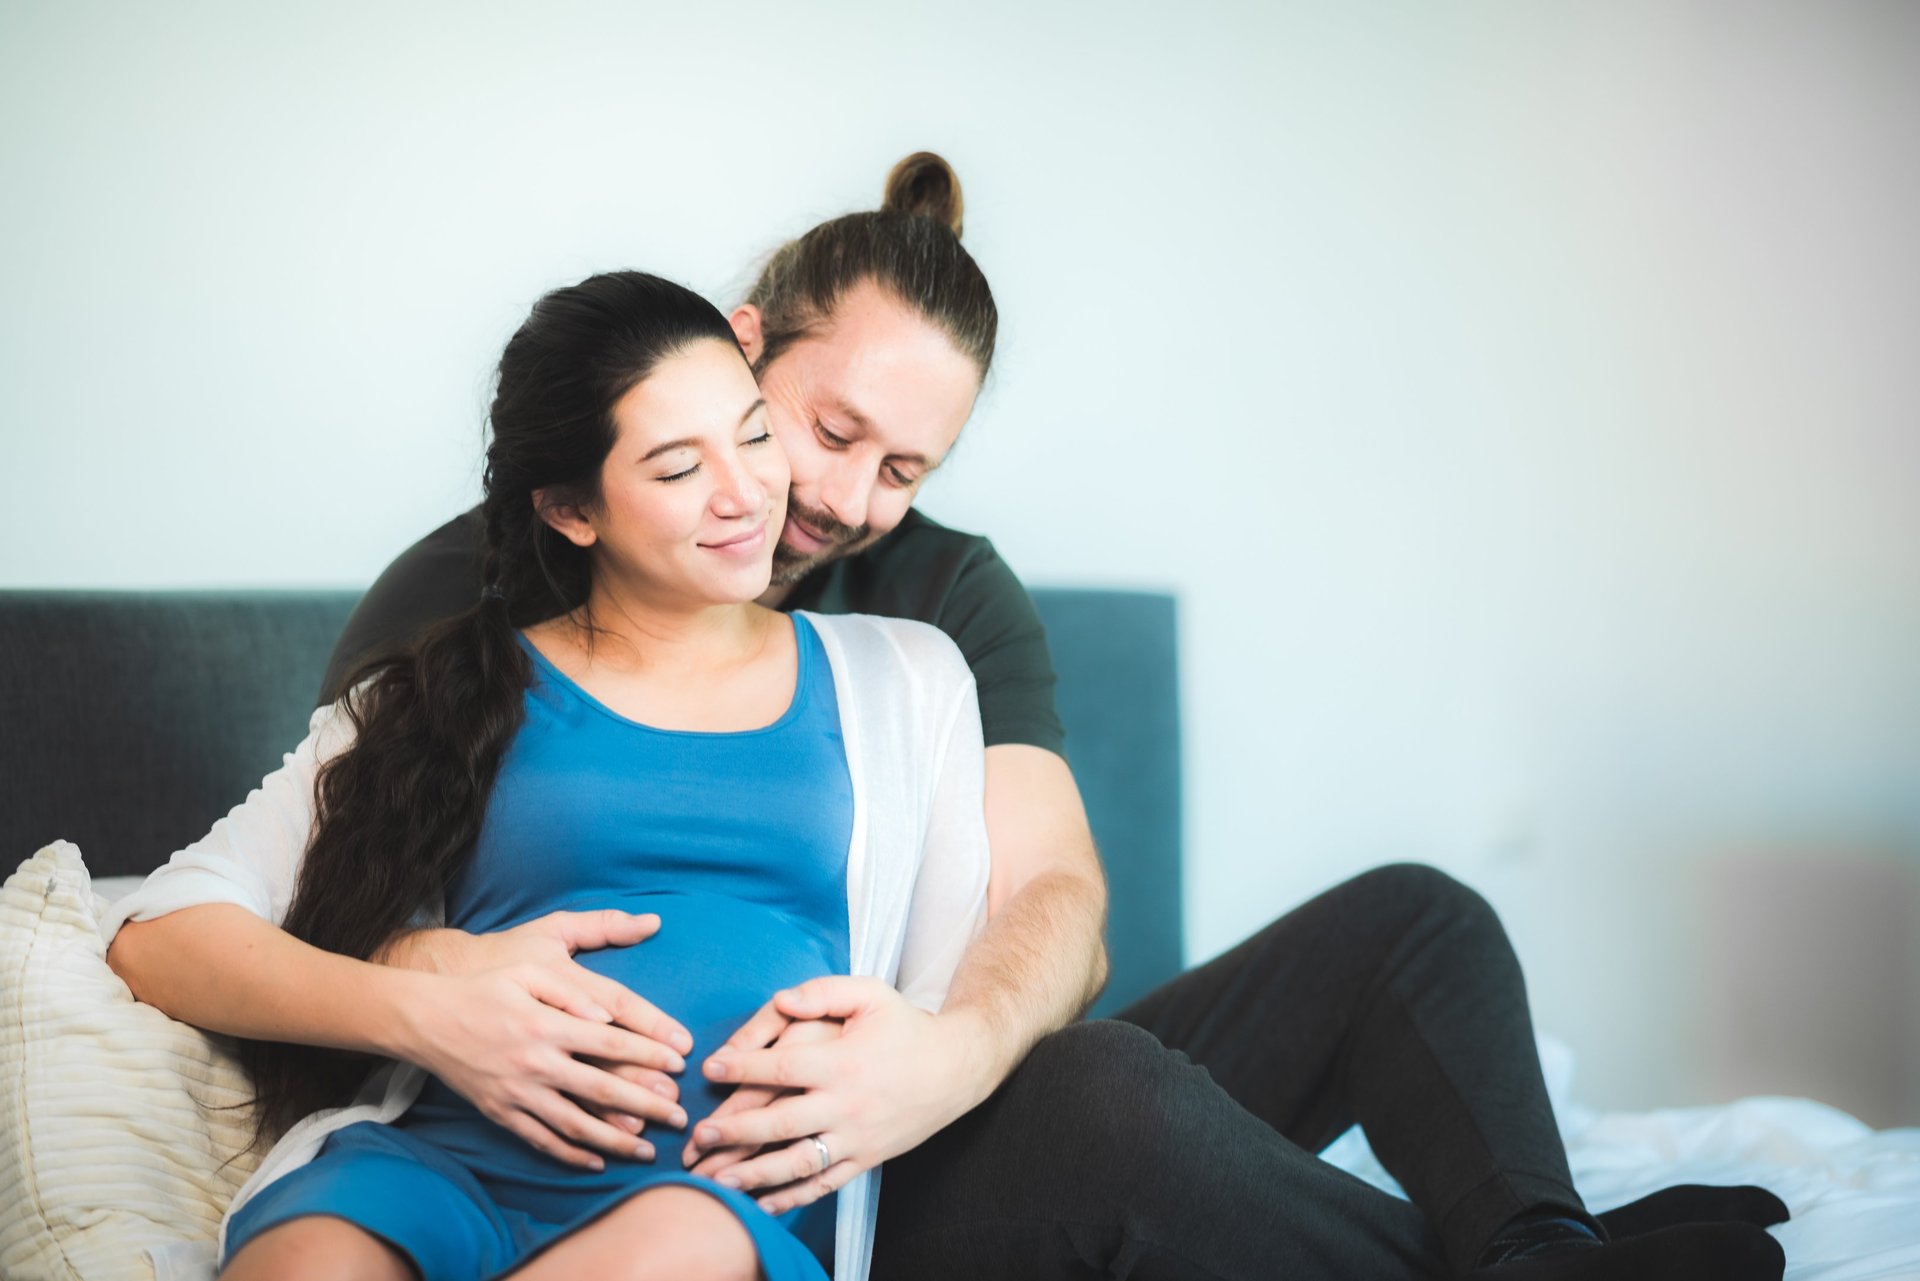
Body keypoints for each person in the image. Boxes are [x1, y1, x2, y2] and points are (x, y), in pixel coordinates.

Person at [329, 156, 1790, 1280]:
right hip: (744, 1169)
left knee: (1416, 922)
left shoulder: (944, 599)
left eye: (901, 467)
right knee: (1110, 1102)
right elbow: (332, 886)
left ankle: (1533, 1244)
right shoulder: (497, 576)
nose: (843, 500)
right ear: (738, 346)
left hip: (936, 1102)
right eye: (829, 433)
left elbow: (1061, 903)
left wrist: (943, 1057)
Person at [103, 269, 996, 1281]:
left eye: (753, 434)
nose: (746, 493)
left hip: (713, 1212)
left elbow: (952, 990)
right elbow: (160, 933)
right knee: (311, 1259)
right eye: (674, 470)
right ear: (575, 511)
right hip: (438, 1172)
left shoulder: (904, 679)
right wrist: (430, 1011)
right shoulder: (448, 691)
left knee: (676, 1244)